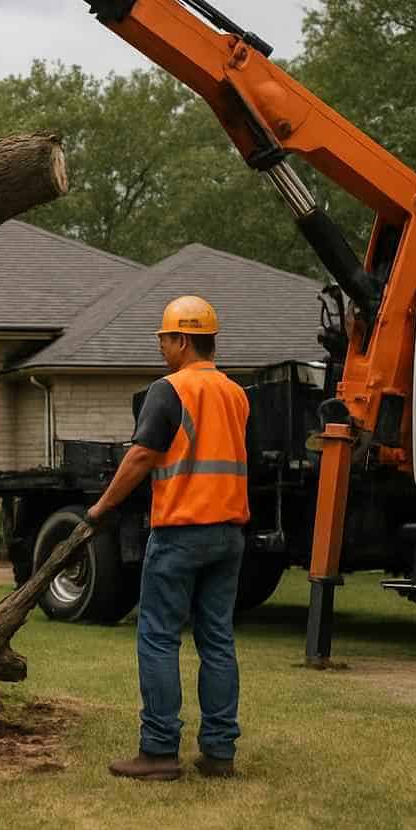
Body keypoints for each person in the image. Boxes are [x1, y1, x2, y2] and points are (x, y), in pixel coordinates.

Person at [85, 294, 251, 781]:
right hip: (228, 533)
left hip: (180, 531)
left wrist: (101, 507)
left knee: (158, 638)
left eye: (164, 338)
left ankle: (158, 752)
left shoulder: (169, 390)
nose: (161, 347)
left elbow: (141, 457)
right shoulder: (237, 393)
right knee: (217, 640)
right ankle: (219, 753)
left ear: (182, 339)